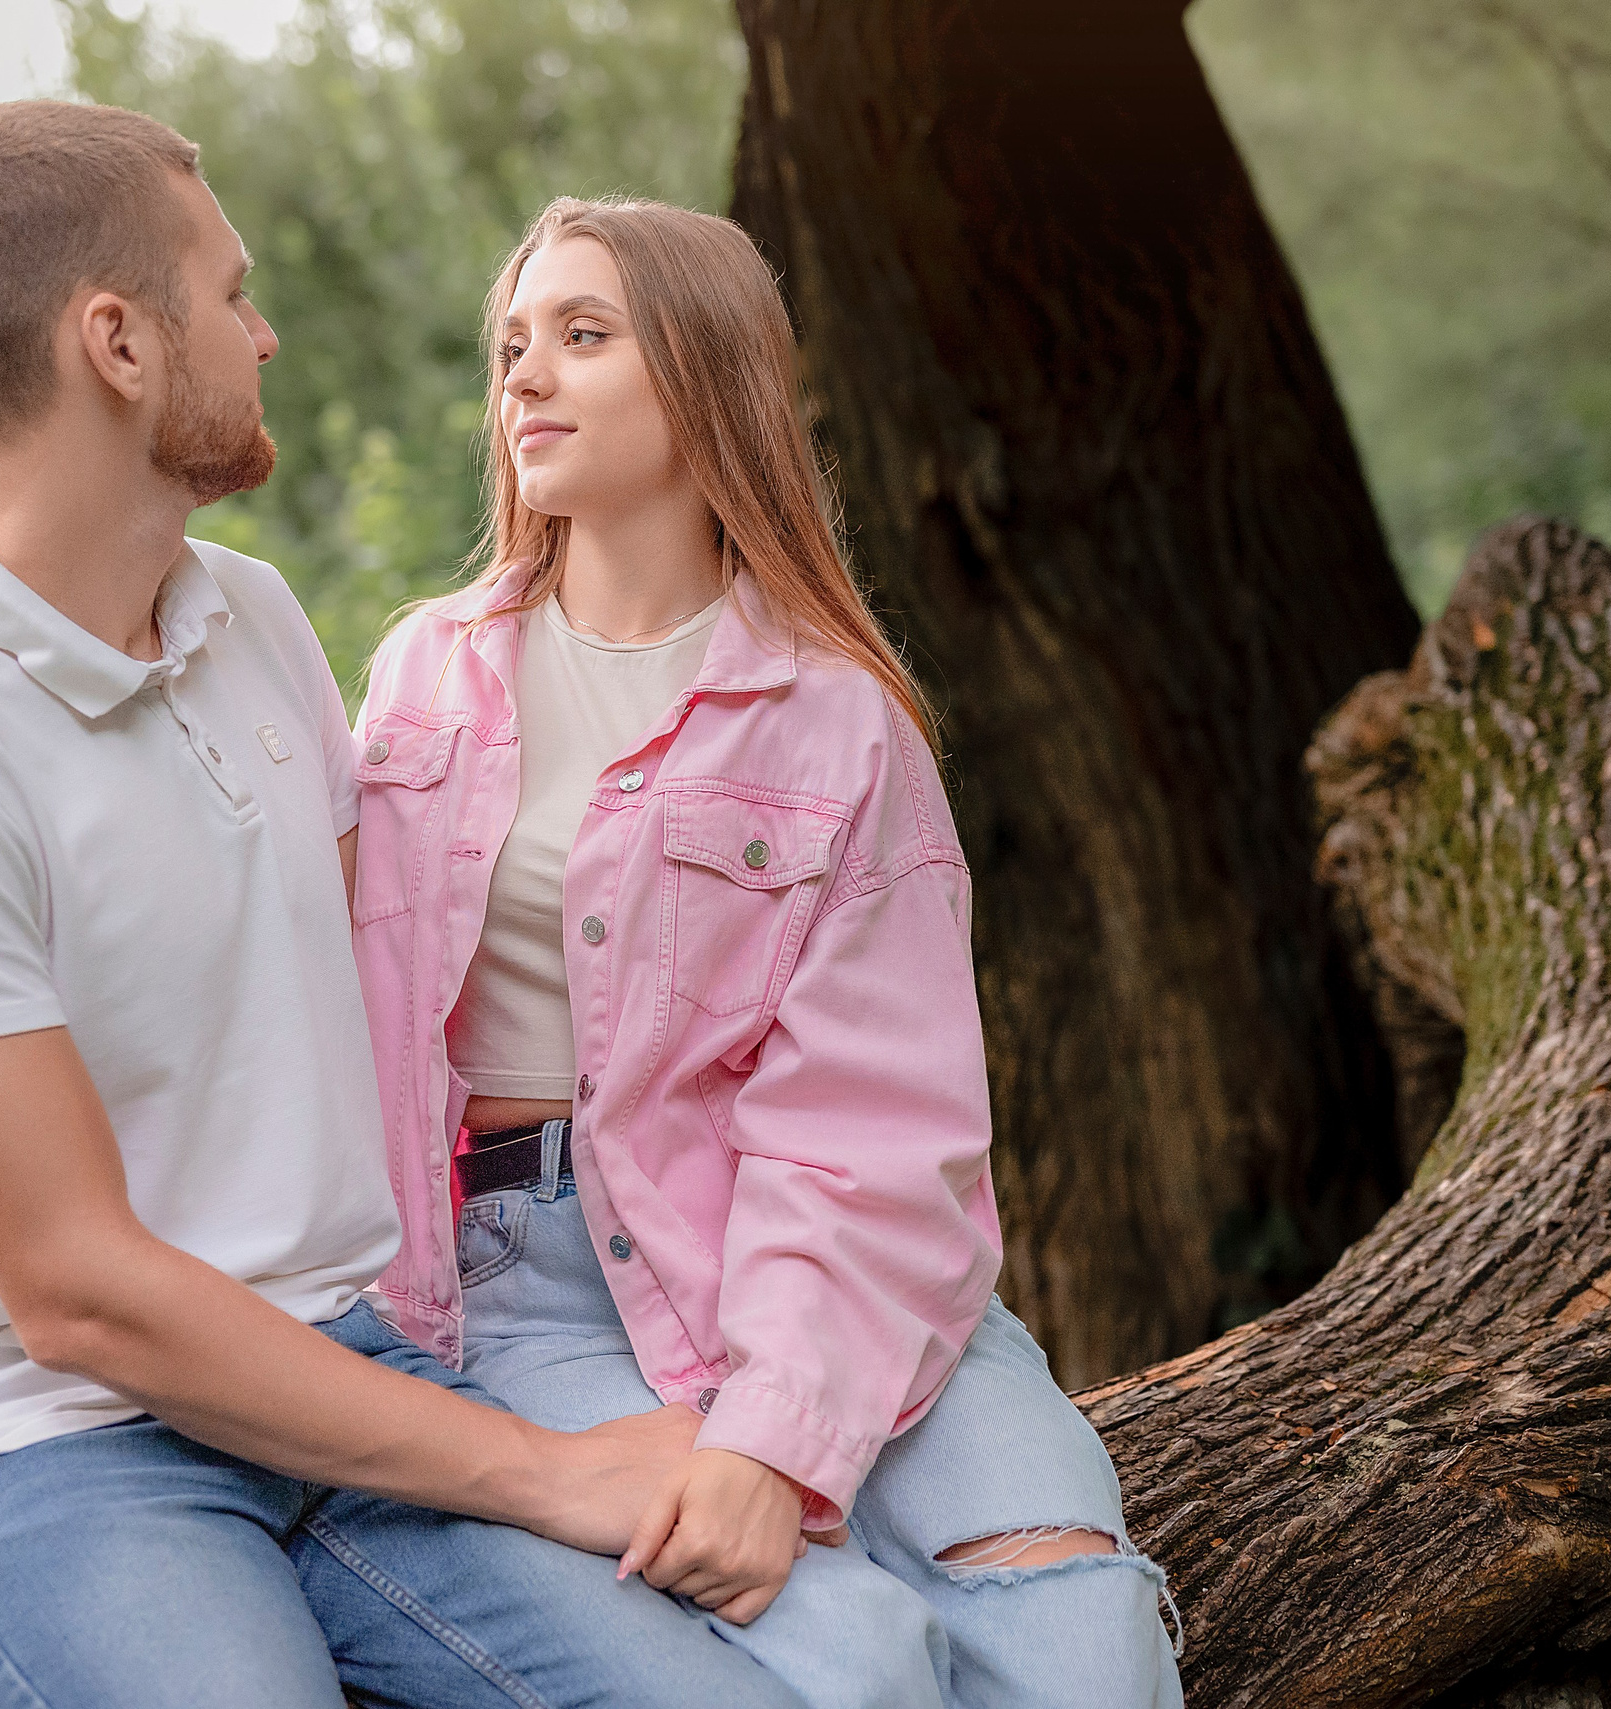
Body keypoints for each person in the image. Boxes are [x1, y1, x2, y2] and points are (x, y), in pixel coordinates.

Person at [0, 106, 803, 1709]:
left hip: (353, 1373)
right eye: (229, 292)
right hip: (53, 1447)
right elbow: (82, 1295)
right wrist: (548, 1467)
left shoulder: (252, 618)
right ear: (115, 341)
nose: (262, 333)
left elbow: (396, 1011)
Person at [352, 196, 1189, 1709]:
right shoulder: (425, 674)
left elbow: (876, 1135)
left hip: (834, 1251)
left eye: (583, 336)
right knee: (855, 1671)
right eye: (510, 346)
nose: (524, 376)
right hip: (530, 1279)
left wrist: (771, 1438)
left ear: (709, 371)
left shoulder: (835, 717)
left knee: (1086, 1654)